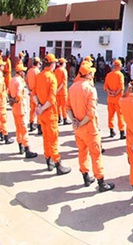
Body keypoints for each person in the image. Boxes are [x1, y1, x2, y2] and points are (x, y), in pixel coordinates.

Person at [67, 62, 115, 192]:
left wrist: (75, 121)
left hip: (78, 128)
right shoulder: (90, 89)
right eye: (91, 72)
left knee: (82, 152)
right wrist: (81, 122)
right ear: (88, 74)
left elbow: (68, 108)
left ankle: (85, 176)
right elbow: (91, 113)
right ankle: (101, 182)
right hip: (89, 127)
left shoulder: (72, 87)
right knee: (96, 154)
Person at [33, 53, 71, 175]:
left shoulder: (39, 76)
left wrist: (39, 107)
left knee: (45, 137)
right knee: (53, 139)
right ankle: (57, 164)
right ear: (53, 64)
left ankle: (48, 160)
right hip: (50, 113)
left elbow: (33, 94)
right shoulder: (52, 77)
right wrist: (43, 108)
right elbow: (51, 100)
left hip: (42, 114)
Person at [8, 63, 37, 158]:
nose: (24, 73)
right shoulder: (19, 81)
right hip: (20, 107)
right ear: (20, 72)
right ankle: (27, 148)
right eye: (23, 71)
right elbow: (19, 94)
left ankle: (20, 146)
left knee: (18, 127)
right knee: (23, 129)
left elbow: (9, 93)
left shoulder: (12, 80)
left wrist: (12, 101)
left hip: (14, 108)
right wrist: (16, 100)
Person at [104, 59, 126, 139]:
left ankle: (111, 130)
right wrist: (115, 94)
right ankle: (122, 132)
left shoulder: (109, 74)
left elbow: (105, 86)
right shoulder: (120, 75)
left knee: (110, 115)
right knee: (120, 115)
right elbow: (121, 87)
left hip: (110, 99)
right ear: (119, 66)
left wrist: (110, 93)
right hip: (118, 99)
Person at [26, 57, 41, 133]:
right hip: (37, 94)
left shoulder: (29, 71)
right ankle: (39, 127)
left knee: (32, 110)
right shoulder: (37, 72)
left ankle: (31, 124)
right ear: (38, 63)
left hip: (31, 93)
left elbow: (27, 82)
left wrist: (29, 90)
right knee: (38, 109)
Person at [55, 58, 71, 126]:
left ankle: (59, 118)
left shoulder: (56, 70)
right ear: (63, 63)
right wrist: (59, 89)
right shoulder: (64, 71)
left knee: (58, 106)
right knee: (64, 106)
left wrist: (56, 90)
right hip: (62, 91)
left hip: (57, 91)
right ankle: (65, 119)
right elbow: (63, 82)